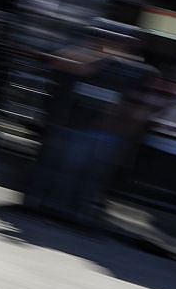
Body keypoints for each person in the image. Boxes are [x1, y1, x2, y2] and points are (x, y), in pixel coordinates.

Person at [28, 23, 157, 225]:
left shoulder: (138, 70)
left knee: (83, 173)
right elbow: (63, 63)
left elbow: (142, 109)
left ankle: (71, 210)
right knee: (73, 170)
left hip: (102, 131)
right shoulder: (94, 59)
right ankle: (62, 208)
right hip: (84, 126)